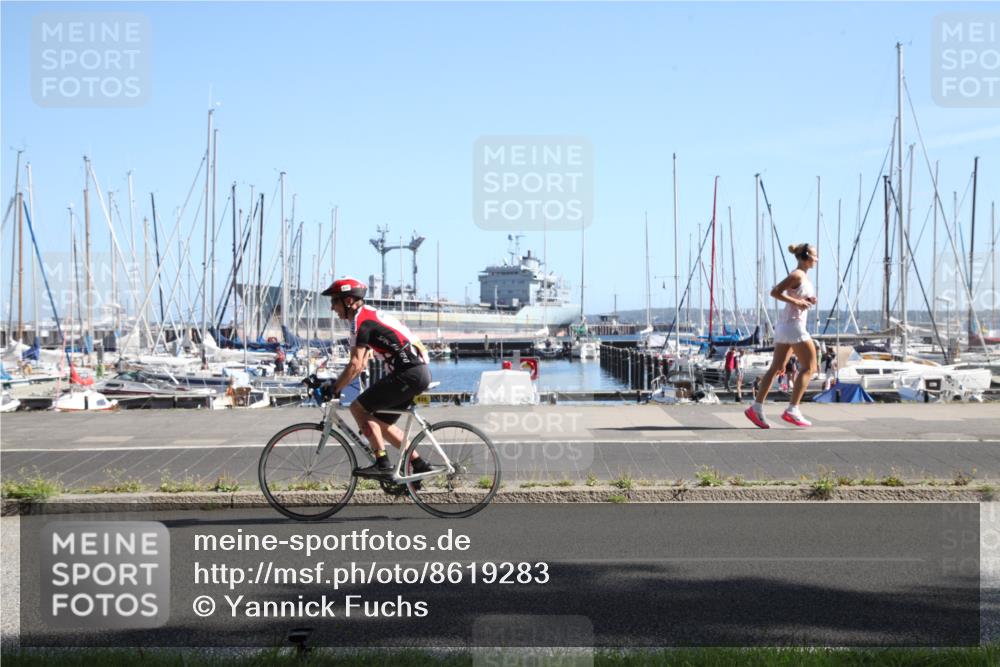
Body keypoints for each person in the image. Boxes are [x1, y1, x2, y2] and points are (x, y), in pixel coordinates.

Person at [322, 277, 435, 477]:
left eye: (334, 301)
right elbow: (362, 362)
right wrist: (336, 383)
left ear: (348, 301)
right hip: (416, 372)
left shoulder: (361, 321)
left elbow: (356, 364)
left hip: (409, 373)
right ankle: (419, 465)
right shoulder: (368, 315)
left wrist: (334, 388)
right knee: (379, 425)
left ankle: (382, 463)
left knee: (357, 408)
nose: (332, 308)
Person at [744, 243, 819, 428]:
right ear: (806, 257)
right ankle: (793, 409)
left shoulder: (803, 277)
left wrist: (806, 301)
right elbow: (775, 292)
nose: (817, 260)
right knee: (810, 367)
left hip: (786, 327)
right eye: (815, 257)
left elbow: (795, 297)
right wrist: (797, 301)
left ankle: (756, 407)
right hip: (794, 326)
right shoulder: (797, 275)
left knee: (777, 367)